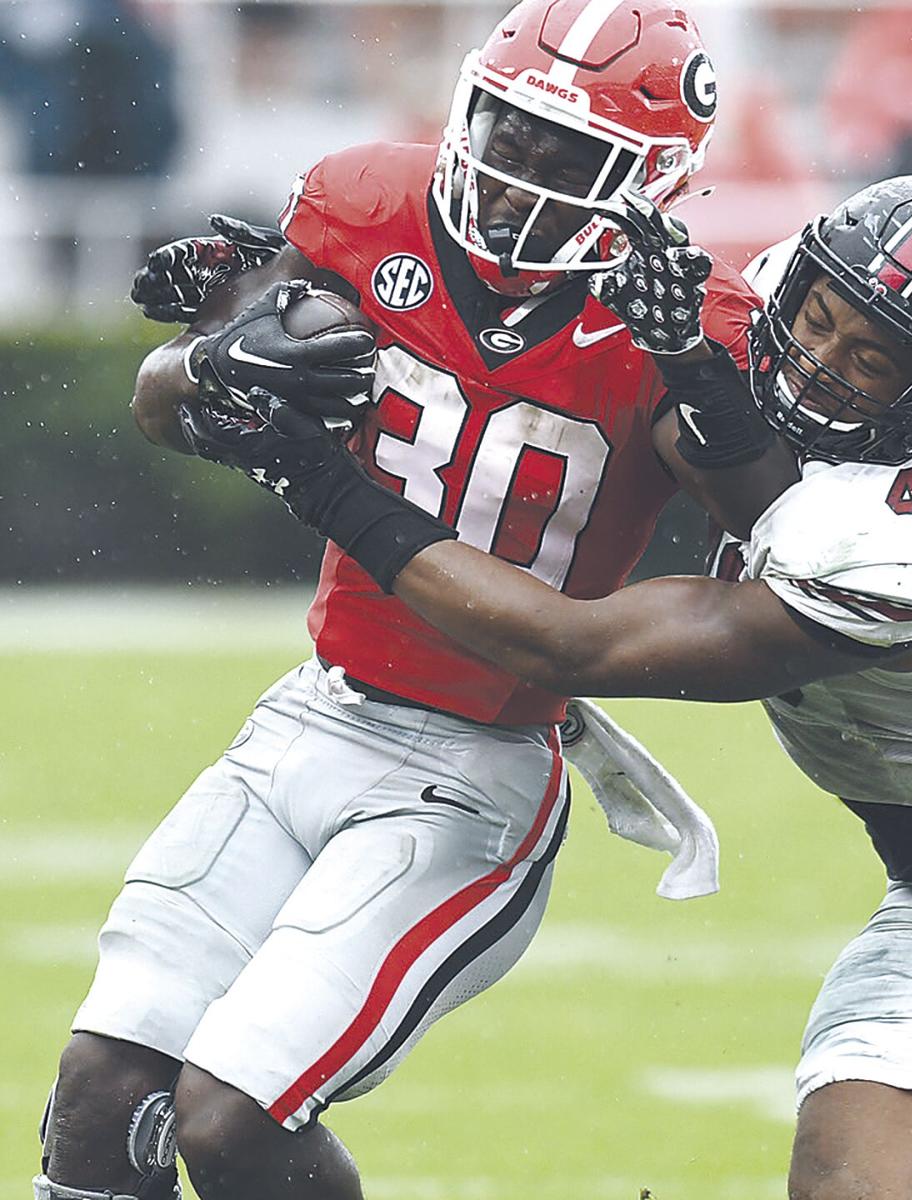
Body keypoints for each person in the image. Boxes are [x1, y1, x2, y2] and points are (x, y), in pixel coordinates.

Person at [186, 172, 912, 1199]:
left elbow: (567, 648)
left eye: (871, 360)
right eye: (816, 319)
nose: (817, 365)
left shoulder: (901, 545)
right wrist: (296, 285)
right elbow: (567, 353)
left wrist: (317, 480)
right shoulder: (769, 323)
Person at [35, 3, 798, 1199]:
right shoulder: (365, 204)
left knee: (231, 1117)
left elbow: (775, 530)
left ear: (649, 180)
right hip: (314, 711)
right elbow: (172, 399)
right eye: (506, 127)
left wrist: (705, 377)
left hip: (474, 766)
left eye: (564, 157)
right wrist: (212, 358)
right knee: (100, 1092)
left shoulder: (677, 325)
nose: (511, 174)